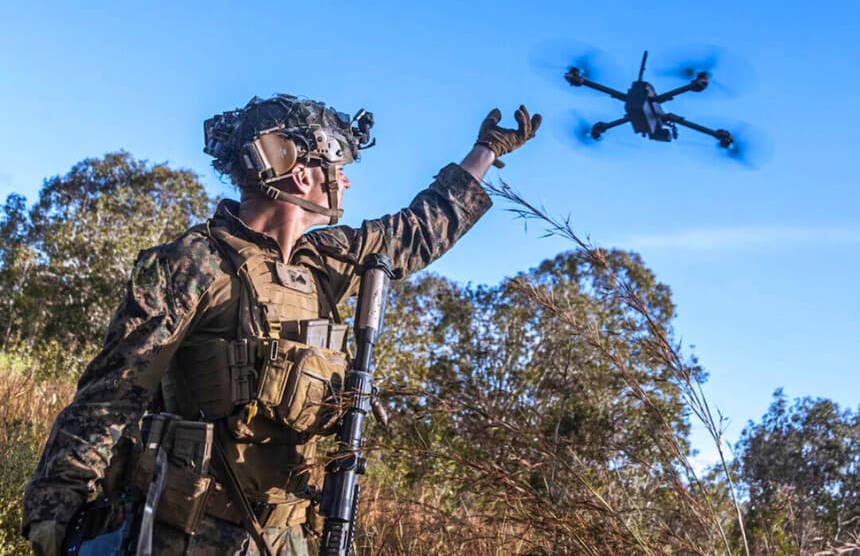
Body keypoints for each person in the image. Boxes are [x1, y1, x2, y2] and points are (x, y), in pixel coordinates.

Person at [22, 94, 541, 555]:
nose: (346, 180)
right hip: (184, 534)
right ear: (298, 171)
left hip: (286, 536)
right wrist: (55, 507)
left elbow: (417, 230)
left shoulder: (325, 261)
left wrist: (485, 152)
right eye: (336, 165)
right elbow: (113, 392)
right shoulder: (195, 263)